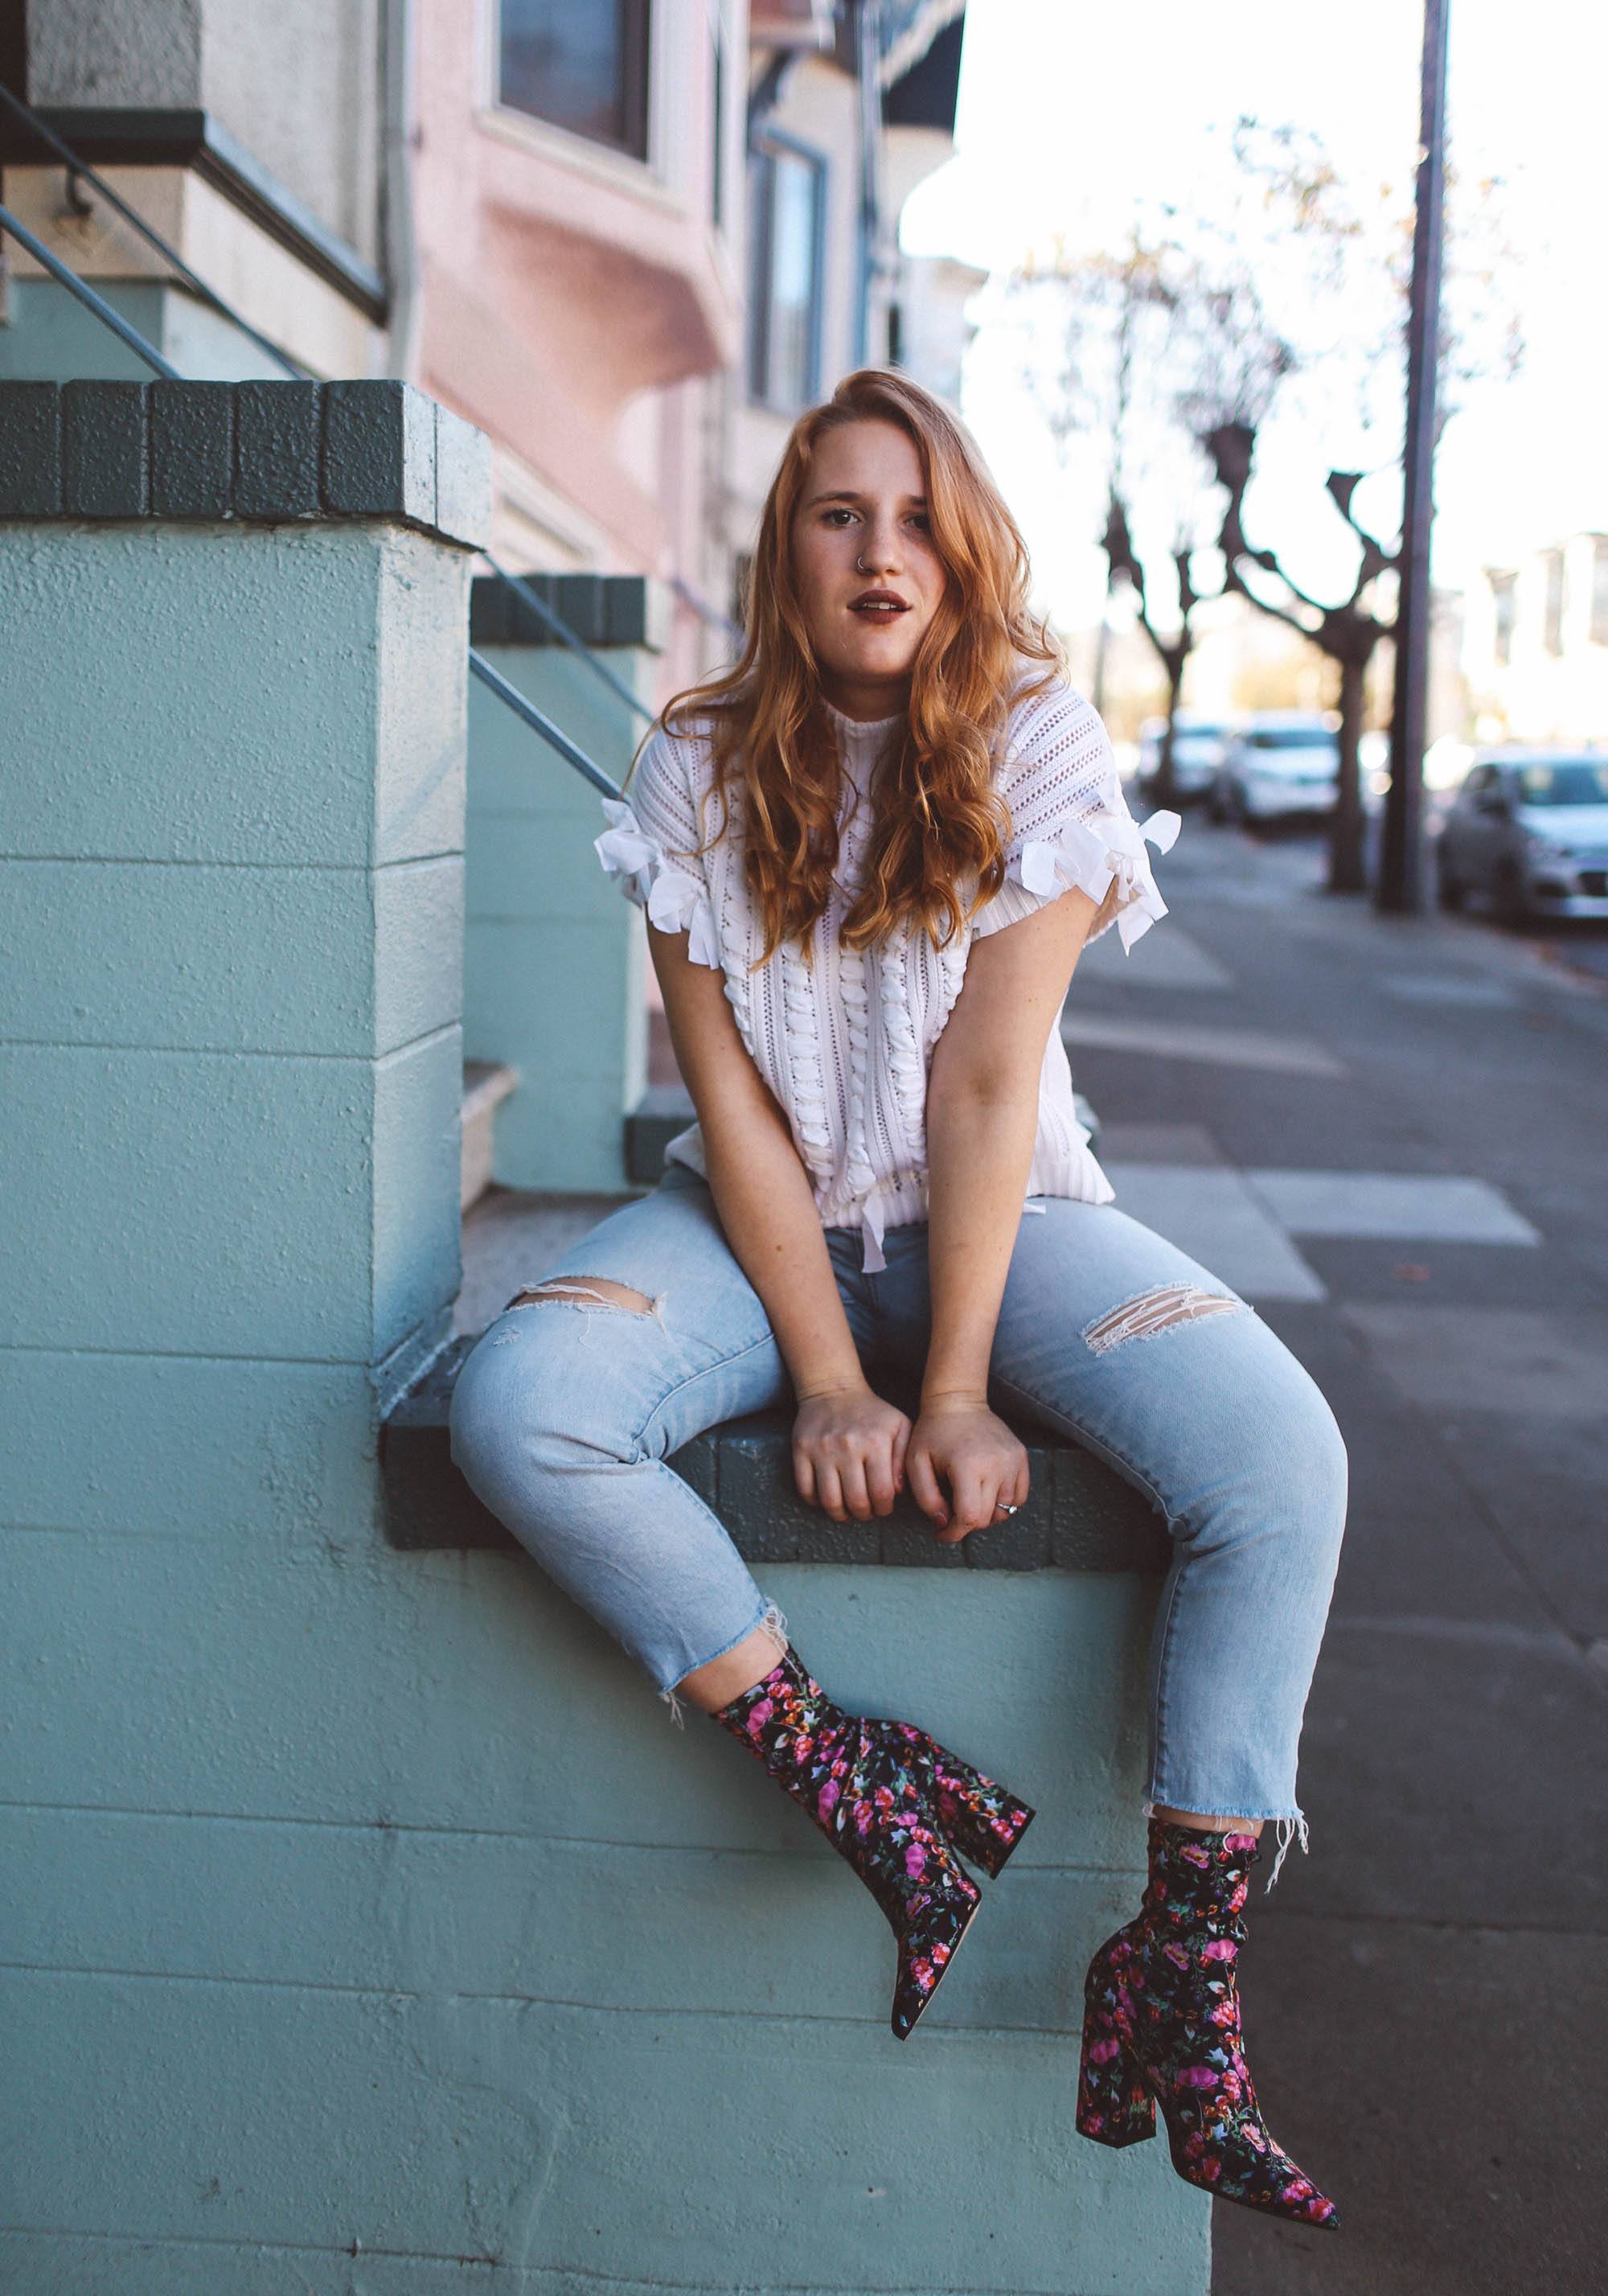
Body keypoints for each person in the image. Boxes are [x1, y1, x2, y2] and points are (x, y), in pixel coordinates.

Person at [447, 371, 1347, 2232]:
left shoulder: (1034, 743)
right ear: (786, 548)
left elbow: (987, 1095)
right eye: (839, 512)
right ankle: (864, 1782)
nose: (883, 550)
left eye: (920, 515)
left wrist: (945, 1388)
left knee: (1280, 1461)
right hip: (752, 1224)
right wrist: (823, 1381)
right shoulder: (695, 761)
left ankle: (1175, 1972)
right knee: (519, 1407)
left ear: (967, 548)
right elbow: (729, 1112)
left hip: (1003, 1221)